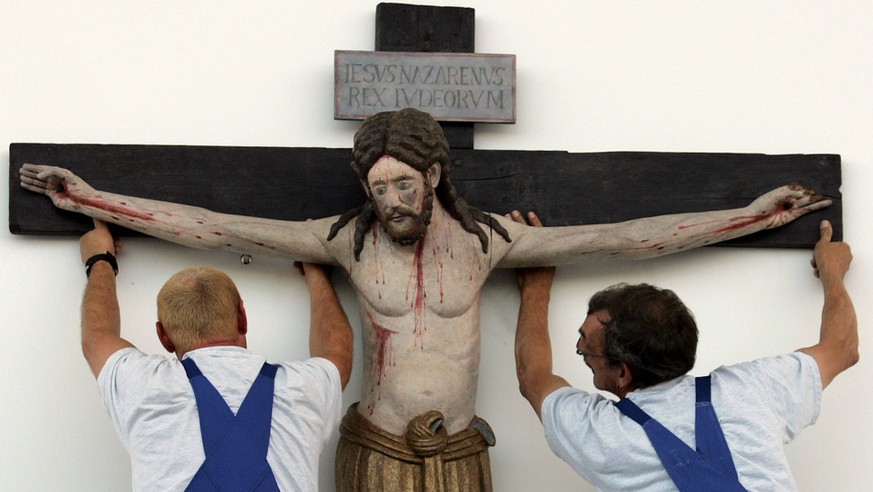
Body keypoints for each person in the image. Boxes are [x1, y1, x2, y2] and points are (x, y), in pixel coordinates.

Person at [21, 108, 830, 491]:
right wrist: (101, 200)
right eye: (378, 190)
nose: (392, 204)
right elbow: (216, 226)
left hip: (458, 453)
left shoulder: (489, 243)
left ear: (435, 175)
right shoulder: (347, 238)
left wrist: (750, 217)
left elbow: (622, 238)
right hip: (373, 444)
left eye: (403, 186)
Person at [512, 211, 857, 491]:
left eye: (587, 349)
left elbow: (534, 377)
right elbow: (842, 348)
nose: (579, 348)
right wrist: (832, 271)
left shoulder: (605, 435)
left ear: (623, 372)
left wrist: (536, 286)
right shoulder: (753, 389)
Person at [78, 218, 353, 491]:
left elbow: (97, 336)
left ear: (164, 337)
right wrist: (315, 268)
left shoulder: (144, 386)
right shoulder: (302, 389)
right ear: (242, 317)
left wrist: (100, 259)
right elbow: (336, 350)